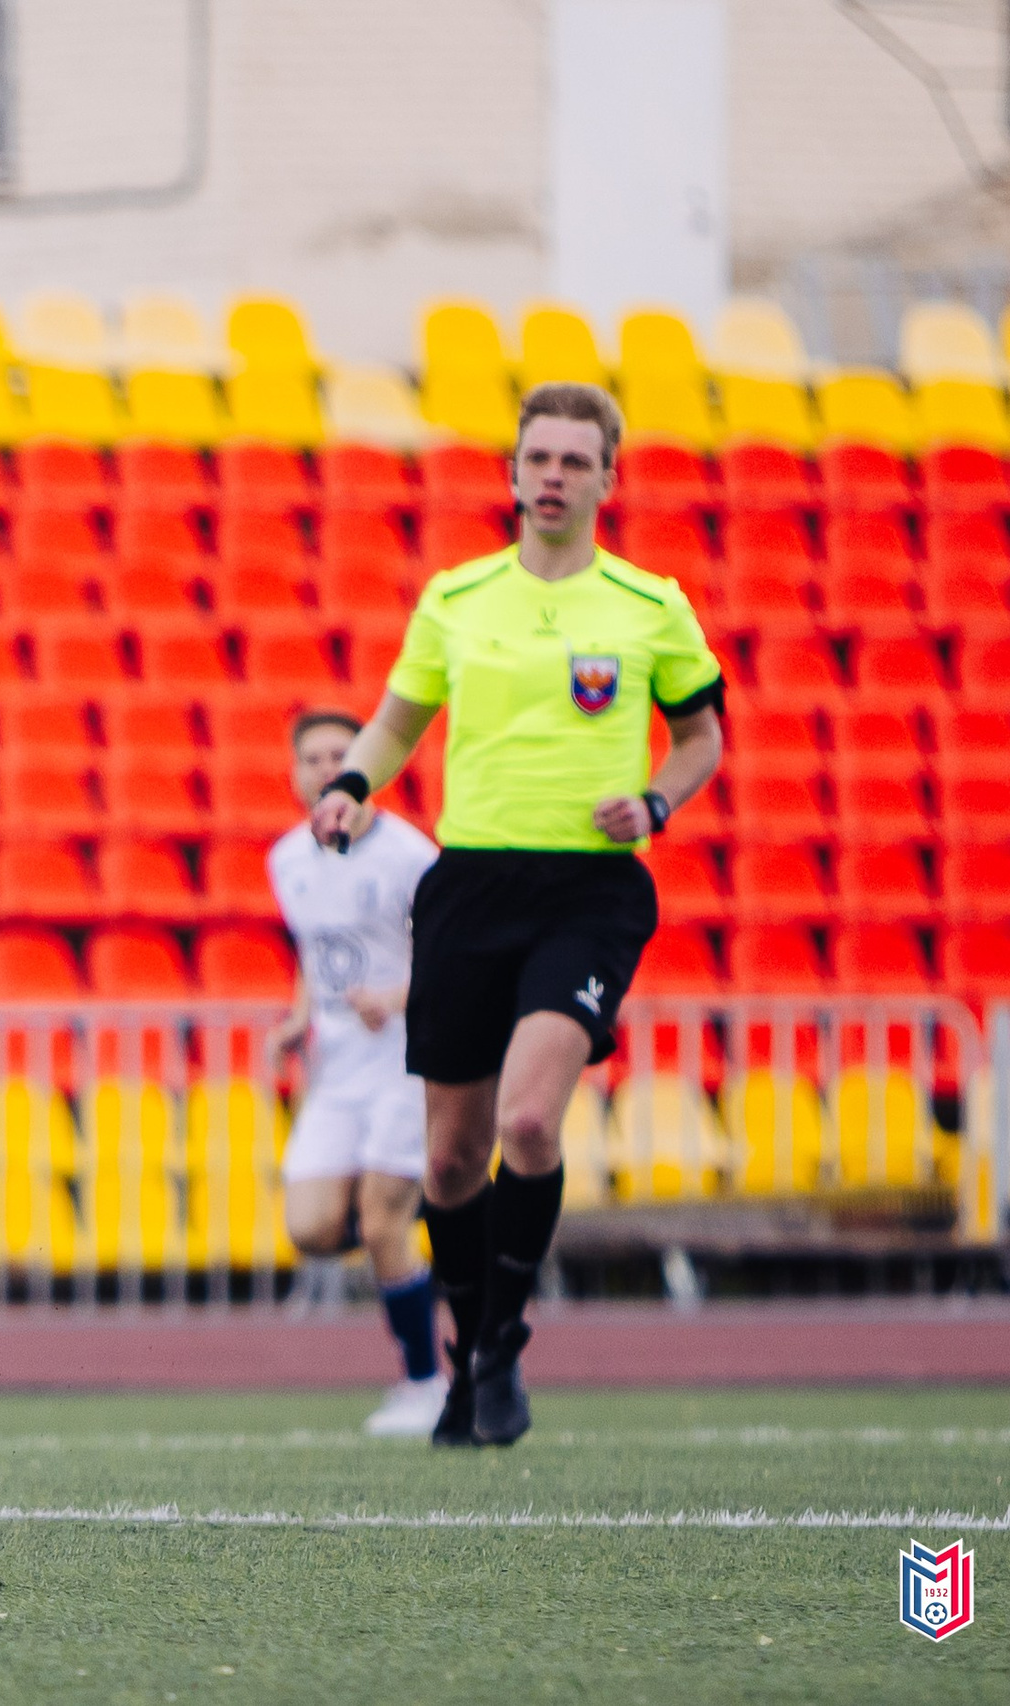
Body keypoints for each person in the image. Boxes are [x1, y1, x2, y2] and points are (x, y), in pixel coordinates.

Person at [310, 382, 725, 1448]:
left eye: (573, 461)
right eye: (535, 457)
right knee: (448, 1161)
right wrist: (354, 785)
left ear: (605, 479)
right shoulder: (457, 598)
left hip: (588, 887)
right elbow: (397, 720)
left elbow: (700, 735)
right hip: (472, 884)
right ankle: (472, 1348)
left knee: (530, 1121)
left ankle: (499, 1347)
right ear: (510, 473)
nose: (552, 475)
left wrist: (659, 800)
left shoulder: (649, 605)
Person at [268, 710, 441, 1437]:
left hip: (407, 1061)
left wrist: (400, 995)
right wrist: (298, 1015)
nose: (325, 767)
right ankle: (449, 1204)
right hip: (339, 1072)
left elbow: (458, 960)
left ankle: (426, 1383)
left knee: (379, 1221)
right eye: (313, 757)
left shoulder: (411, 858)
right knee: (310, 1227)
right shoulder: (287, 860)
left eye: (342, 754)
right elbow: (319, 955)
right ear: (296, 771)